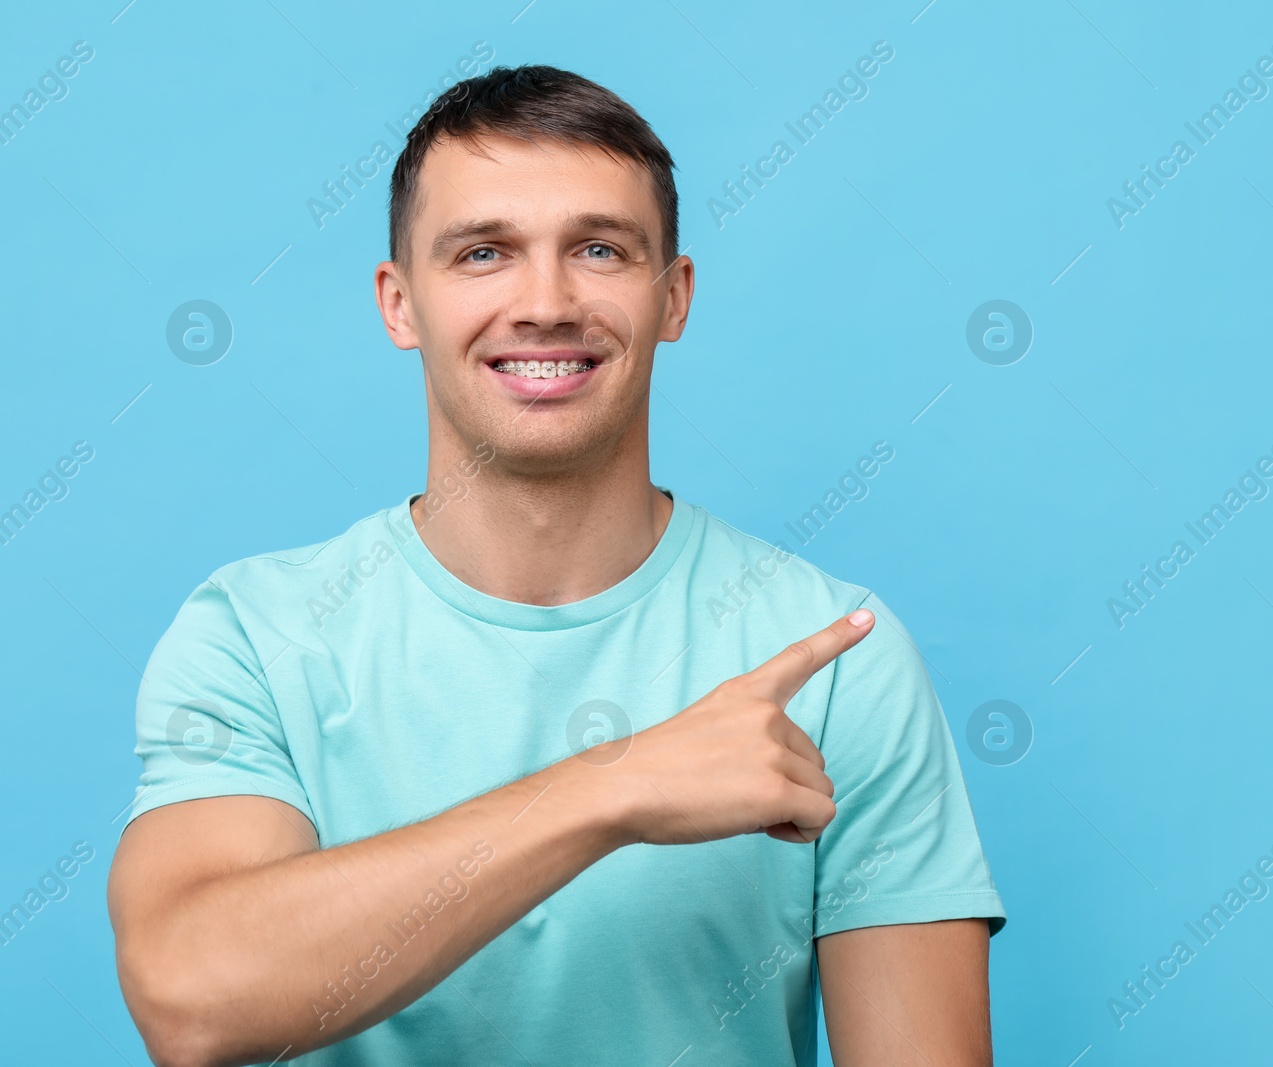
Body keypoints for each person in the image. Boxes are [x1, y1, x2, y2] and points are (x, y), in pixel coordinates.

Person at [108, 64, 1005, 1067]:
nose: (545, 301)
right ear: (399, 305)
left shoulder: (832, 656)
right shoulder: (255, 634)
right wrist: (613, 786)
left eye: (598, 248)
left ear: (674, 297)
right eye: (484, 251)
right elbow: (191, 997)